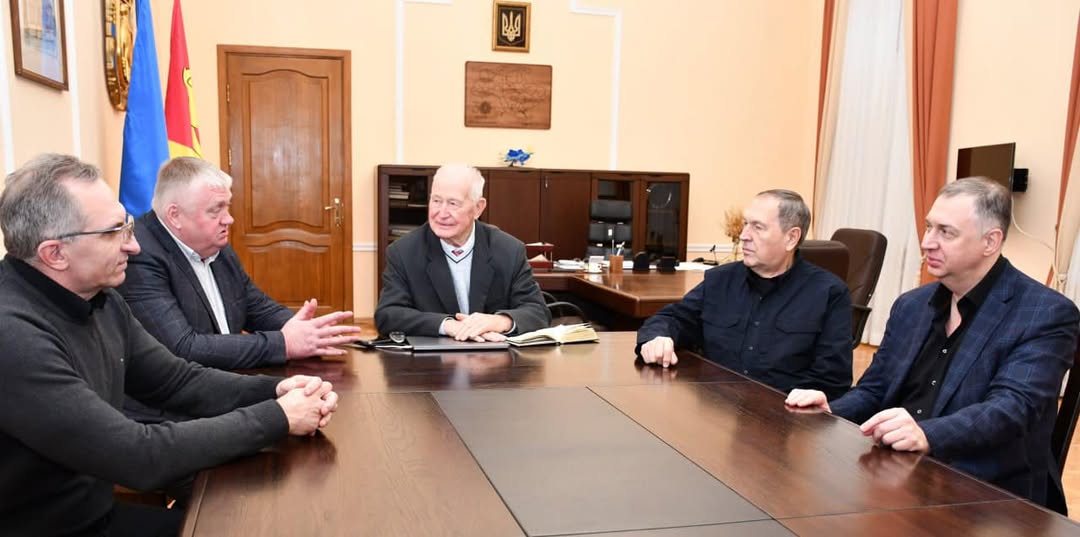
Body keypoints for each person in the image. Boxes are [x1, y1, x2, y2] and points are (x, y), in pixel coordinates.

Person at [0, 154, 340, 536]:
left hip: (93, 516)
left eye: (128, 226)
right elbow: (137, 456)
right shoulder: (13, 336)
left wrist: (277, 389)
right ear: (55, 254)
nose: (134, 246)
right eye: (113, 233)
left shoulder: (100, 298)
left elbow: (175, 381)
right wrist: (278, 417)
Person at [786, 177, 1080, 514]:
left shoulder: (1044, 312)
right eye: (929, 227)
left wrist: (928, 435)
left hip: (991, 497)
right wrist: (831, 411)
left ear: (990, 241)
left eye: (946, 232)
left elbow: (1012, 408)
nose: (927, 242)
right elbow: (875, 389)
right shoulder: (911, 305)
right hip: (898, 478)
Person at [119, 156, 361, 371]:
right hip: (177, 400)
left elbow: (255, 306)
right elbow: (183, 347)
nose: (229, 219)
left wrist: (305, 330)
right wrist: (284, 343)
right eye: (216, 210)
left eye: (227, 207)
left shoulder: (215, 245)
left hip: (227, 379)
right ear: (175, 216)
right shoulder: (140, 255)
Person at [637, 189, 853, 399]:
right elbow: (672, 318)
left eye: (758, 227)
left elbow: (832, 380)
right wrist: (658, 338)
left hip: (785, 414)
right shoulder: (720, 280)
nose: (743, 236)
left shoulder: (828, 293)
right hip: (718, 408)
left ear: (791, 238)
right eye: (745, 224)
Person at [375, 163, 550, 340]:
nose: (441, 213)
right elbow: (388, 315)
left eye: (453, 203)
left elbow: (538, 312)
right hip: (434, 354)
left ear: (478, 208)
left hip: (494, 353)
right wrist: (447, 325)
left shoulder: (508, 250)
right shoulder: (404, 252)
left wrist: (500, 321)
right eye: (436, 201)